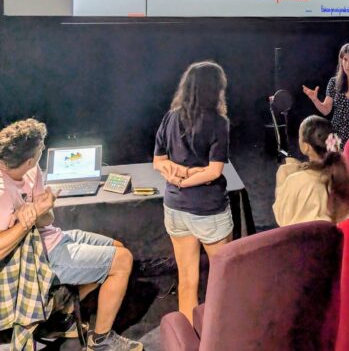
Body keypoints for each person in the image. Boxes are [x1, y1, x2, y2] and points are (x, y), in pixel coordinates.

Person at [0, 119, 142, 351]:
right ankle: (100, 341)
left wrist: (38, 210)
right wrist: (25, 221)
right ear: (29, 159)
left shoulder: (32, 171)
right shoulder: (2, 191)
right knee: (122, 261)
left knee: (118, 248)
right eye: (41, 148)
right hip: (37, 257)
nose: (43, 149)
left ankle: (61, 312)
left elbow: (47, 220)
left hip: (52, 237)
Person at [153, 61, 233, 324]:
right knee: (223, 278)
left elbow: (158, 162)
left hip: (175, 209)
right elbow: (214, 171)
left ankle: (188, 335)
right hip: (208, 210)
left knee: (186, 279)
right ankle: (218, 333)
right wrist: (188, 178)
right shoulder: (218, 123)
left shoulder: (170, 117)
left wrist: (177, 176)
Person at [273, 115, 349, 226]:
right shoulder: (342, 173)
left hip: (305, 236)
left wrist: (282, 181)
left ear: (306, 147)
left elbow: (282, 218)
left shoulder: (296, 180)